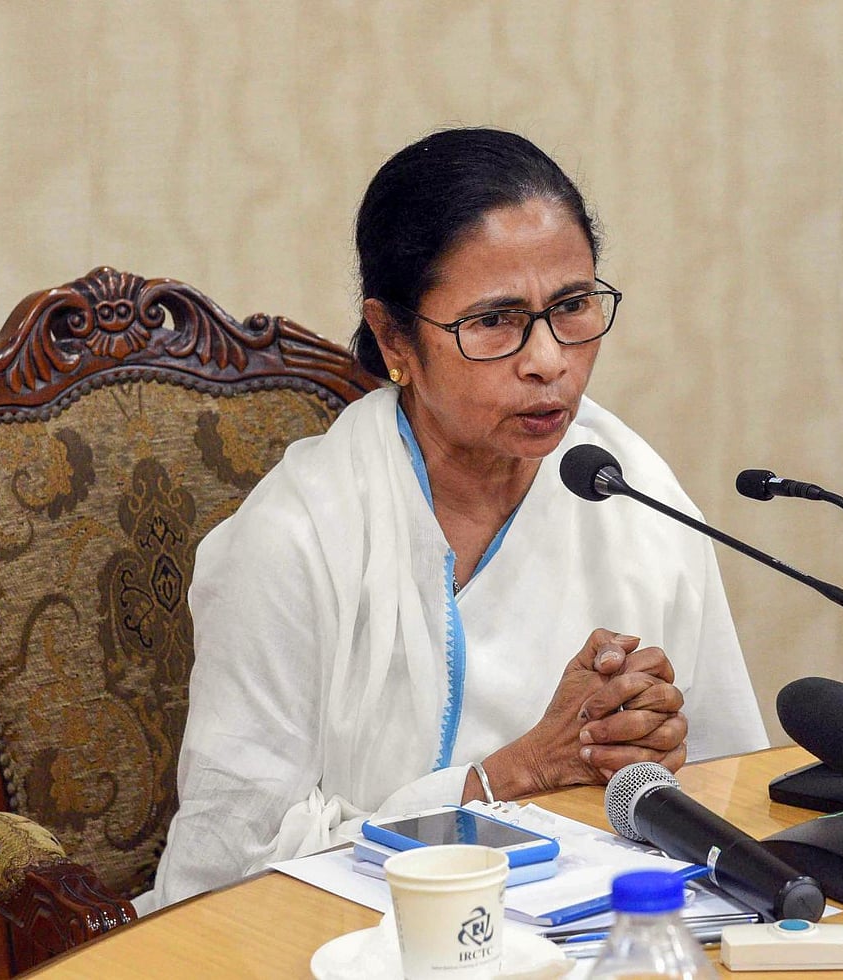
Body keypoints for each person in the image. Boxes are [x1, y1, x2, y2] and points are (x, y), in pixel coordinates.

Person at [146, 127, 768, 912]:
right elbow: (228, 873)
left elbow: (727, 785)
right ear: (393, 336)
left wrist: (654, 754)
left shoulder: (629, 488)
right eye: (495, 321)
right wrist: (509, 776)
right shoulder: (294, 539)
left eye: (572, 306)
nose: (549, 359)